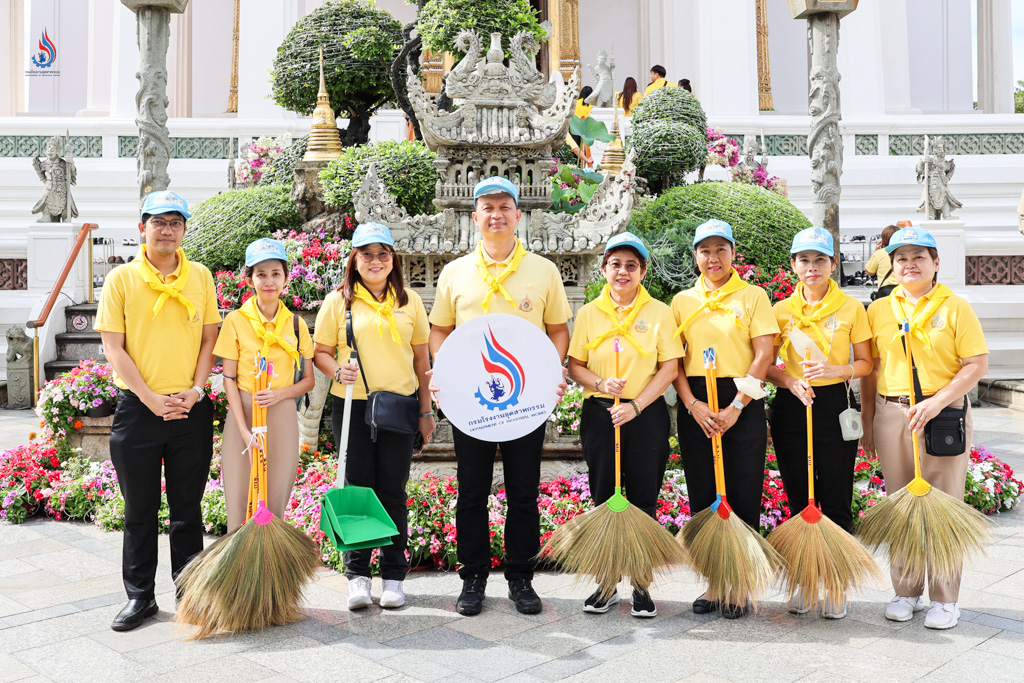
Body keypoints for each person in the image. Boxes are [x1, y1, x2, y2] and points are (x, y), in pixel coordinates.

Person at [429, 176, 572, 617]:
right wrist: (444, 370)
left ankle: (521, 576)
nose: (496, 215)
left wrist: (553, 371)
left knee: (523, 492)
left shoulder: (543, 270)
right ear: (475, 218)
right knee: (471, 491)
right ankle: (473, 577)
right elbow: (439, 331)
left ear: (518, 216)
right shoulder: (455, 273)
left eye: (504, 207)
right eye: (487, 208)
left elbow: (559, 331)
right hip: (471, 403)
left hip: (525, 402)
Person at [95, 191, 220, 631]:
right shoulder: (122, 280)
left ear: (184, 228)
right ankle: (140, 597)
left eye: (175, 221)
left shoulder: (201, 276)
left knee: (188, 509)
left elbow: (210, 340)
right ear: (142, 227)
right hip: (138, 410)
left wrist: (197, 390)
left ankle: (190, 595)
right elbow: (113, 347)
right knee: (139, 510)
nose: (167, 230)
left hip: (190, 409)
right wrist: (150, 398)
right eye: (158, 222)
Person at [861, 227, 989, 630]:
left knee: (943, 504)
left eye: (919, 256)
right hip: (891, 412)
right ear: (891, 265)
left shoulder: (955, 307)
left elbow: (976, 365)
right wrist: (868, 419)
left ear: (936, 263)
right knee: (901, 503)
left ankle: (946, 599)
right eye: (901, 258)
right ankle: (906, 590)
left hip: (943, 412)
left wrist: (936, 402)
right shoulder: (880, 309)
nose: (910, 264)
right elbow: (873, 368)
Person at [313, 222, 434, 610]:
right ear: (355, 259)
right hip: (352, 406)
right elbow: (320, 351)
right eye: (367, 254)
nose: (375, 260)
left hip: (398, 407)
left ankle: (394, 577)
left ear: (393, 258)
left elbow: (421, 359)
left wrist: (427, 411)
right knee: (358, 492)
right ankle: (359, 577)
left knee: (393, 492)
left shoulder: (410, 301)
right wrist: (335, 370)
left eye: (383, 253)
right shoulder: (339, 301)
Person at [567, 232, 683, 618]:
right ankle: (605, 582)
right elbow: (574, 365)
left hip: (644, 414)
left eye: (631, 265)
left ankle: (641, 584)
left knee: (643, 497)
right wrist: (600, 384)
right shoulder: (588, 313)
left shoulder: (660, 312)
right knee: (604, 497)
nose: (622, 271)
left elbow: (669, 367)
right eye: (615, 264)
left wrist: (635, 405)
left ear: (643, 271)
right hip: (601, 414)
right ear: (603, 269)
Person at [670, 219, 779, 620]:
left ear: (733, 253)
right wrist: (693, 405)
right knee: (705, 495)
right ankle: (715, 582)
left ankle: (741, 584)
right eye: (704, 250)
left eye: (720, 249)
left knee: (743, 491)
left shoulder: (752, 297)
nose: (712, 258)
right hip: (698, 404)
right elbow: (674, 361)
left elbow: (763, 355)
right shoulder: (682, 300)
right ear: (695, 255)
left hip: (741, 400)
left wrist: (736, 406)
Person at [765, 227, 873, 618]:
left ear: (833, 263)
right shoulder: (780, 310)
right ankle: (806, 580)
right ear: (793, 265)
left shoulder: (851, 308)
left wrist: (836, 368)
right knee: (798, 497)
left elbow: (866, 363)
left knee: (835, 494)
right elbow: (765, 366)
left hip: (833, 404)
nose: (812, 268)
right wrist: (789, 380)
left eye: (820, 260)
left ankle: (837, 584)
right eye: (804, 260)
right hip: (793, 404)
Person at [214, 238, 315, 534]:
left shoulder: (296, 324)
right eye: (261, 274)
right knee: (239, 496)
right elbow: (229, 379)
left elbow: (308, 380)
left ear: (285, 277)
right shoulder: (236, 321)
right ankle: (237, 572)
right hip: (243, 412)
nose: (269, 281)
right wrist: (245, 430)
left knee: (274, 500)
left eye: (275, 273)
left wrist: (280, 394)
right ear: (249, 280)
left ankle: (270, 570)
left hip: (281, 413)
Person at [865, 224, 900, 299]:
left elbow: (869, 271)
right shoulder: (905, 252)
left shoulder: (880, 253)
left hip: (885, 290)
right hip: (903, 289)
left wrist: (876, 250)